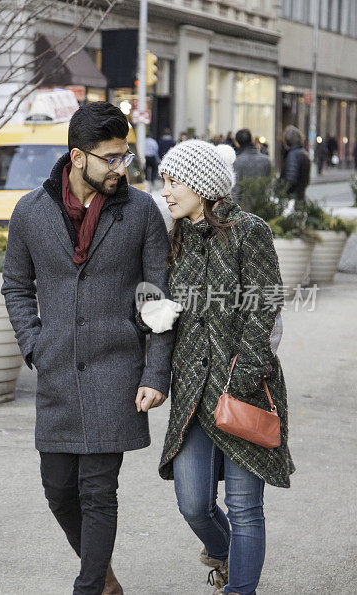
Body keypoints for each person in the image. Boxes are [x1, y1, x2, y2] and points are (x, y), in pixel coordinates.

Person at [1, 101, 175, 595]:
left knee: (99, 492)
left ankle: (89, 585)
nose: (121, 167)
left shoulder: (141, 212)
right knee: (58, 490)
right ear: (78, 157)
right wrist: (34, 344)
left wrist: (154, 372)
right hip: (56, 369)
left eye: (125, 157)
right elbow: (15, 284)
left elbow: (157, 298)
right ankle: (105, 579)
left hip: (117, 370)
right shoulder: (31, 212)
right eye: (110, 158)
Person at [156, 139, 294, 595]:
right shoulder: (174, 238)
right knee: (193, 503)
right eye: (164, 181)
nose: (167, 191)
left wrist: (244, 375)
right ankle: (227, 556)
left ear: (200, 184)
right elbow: (167, 306)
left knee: (245, 507)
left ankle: (240, 588)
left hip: (242, 390)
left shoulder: (248, 230)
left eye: (173, 181)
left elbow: (266, 303)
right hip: (192, 395)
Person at [232, 129, 271, 207]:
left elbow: (236, 189)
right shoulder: (266, 160)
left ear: (237, 143)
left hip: (244, 207)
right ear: (252, 140)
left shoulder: (236, 162)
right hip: (263, 205)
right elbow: (269, 185)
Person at [279, 126, 310, 211]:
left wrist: (281, 191)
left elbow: (290, 179)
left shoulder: (293, 155)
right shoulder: (303, 153)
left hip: (292, 201)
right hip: (300, 198)